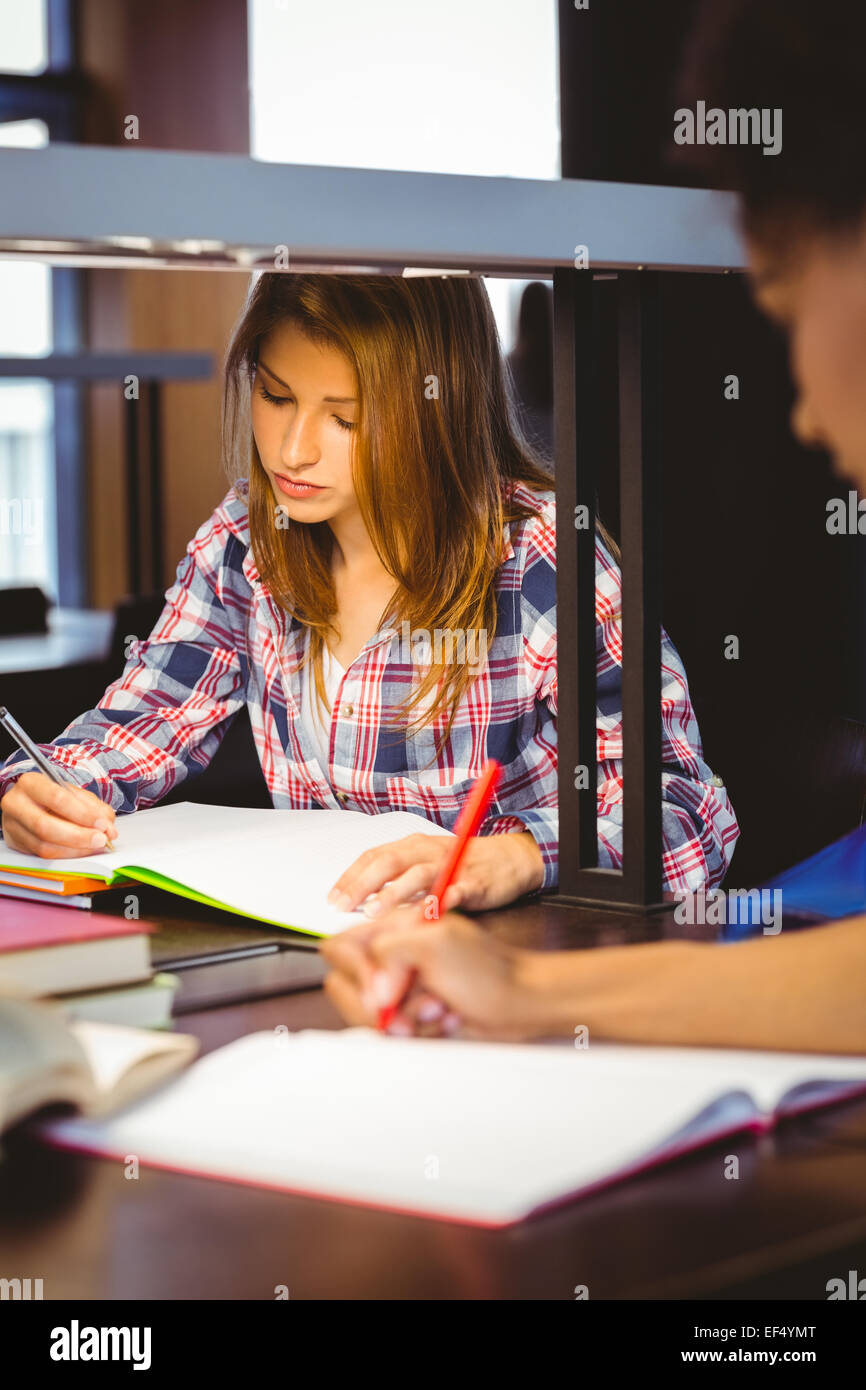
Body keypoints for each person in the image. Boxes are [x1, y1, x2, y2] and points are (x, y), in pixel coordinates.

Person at [321, 0, 866, 1052]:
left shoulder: (544, 553)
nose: (800, 407)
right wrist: (526, 993)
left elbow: (684, 814)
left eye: (788, 300)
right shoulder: (241, 550)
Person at [0, 274, 735, 909]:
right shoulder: (247, 535)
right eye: (277, 397)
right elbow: (149, 716)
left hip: (514, 974)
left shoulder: (541, 559)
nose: (293, 451)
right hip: (333, 956)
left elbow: (688, 813)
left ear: (434, 408)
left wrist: (513, 859)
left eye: (345, 418)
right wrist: (48, 789)